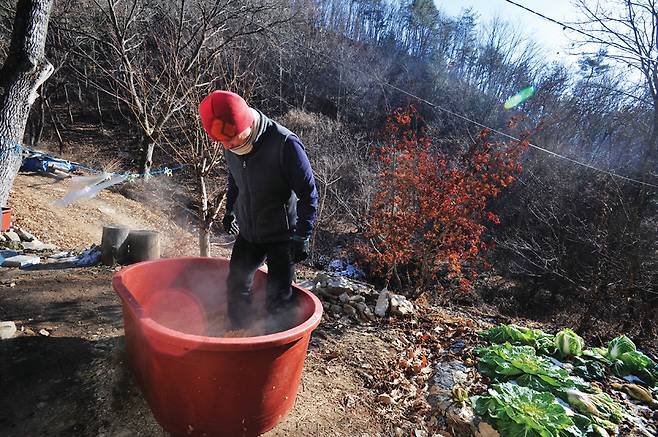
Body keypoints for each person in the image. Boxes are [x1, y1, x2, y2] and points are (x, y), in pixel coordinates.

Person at [198, 90, 318, 331]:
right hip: (249, 232)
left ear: (248, 123)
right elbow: (235, 180)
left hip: (281, 236)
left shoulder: (285, 144)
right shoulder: (229, 144)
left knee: (278, 295)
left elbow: (308, 193)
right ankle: (239, 333)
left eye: (231, 139)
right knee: (236, 284)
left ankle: (274, 343)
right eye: (222, 142)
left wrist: (302, 235)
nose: (228, 145)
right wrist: (230, 209)